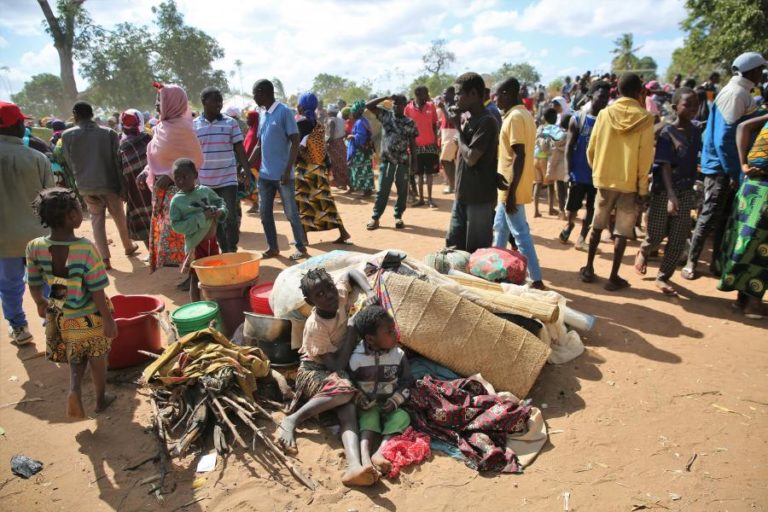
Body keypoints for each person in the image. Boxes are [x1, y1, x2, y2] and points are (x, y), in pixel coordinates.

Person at [279, 268, 379, 487]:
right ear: (310, 301)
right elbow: (336, 366)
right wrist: (352, 330)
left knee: (348, 409)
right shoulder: (315, 326)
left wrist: (370, 291)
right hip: (314, 370)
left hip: (338, 372)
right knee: (345, 391)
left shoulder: (339, 294)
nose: (329, 296)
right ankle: (292, 419)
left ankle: (354, 466)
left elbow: (352, 273)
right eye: (320, 295)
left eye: (329, 288)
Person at [26, 188, 117, 418]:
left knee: (75, 355)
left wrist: (39, 302)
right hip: (89, 314)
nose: (81, 210)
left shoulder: (35, 246)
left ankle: (74, 390)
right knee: (97, 357)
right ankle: (100, 400)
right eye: (78, 208)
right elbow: (97, 288)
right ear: (70, 217)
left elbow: (34, 282)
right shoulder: (85, 248)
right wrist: (107, 318)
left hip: (60, 312)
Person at [682, 52, 766, 280]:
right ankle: (691, 262)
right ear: (752, 71)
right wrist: (735, 170)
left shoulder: (740, 91)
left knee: (724, 218)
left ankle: (715, 263)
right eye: (760, 70)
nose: (761, 74)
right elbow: (724, 138)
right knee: (709, 215)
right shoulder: (735, 93)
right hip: (721, 167)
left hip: (727, 166)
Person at [580, 72, 654, 291]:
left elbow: (591, 148)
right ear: (638, 91)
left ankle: (589, 268)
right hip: (629, 184)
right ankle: (613, 277)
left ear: (618, 90)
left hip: (604, 179)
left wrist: (599, 171)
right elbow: (644, 157)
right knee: (622, 231)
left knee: (597, 225)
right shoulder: (645, 118)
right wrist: (642, 188)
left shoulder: (604, 114)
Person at [634, 88, 701, 295]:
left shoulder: (697, 131)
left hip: (686, 189)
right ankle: (645, 250)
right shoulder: (666, 133)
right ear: (674, 107)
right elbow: (663, 166)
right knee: (656, 233)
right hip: (665, 190)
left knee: (679, 237)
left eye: (695, 105)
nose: (692, 109)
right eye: (686, 105)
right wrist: (671, 195)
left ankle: (663, 277)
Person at [0, 102, 55, 345]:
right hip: (39, 234)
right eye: (21, 121)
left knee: (9, 284)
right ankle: (53, 322)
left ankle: (19, 327)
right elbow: (52, 197)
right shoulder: (36, 158)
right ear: (15, 125)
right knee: (49, 280)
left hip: (4, 239)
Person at [62, 101, 138, 270]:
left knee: (97, 220)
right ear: (92, 114)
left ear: (76, 115)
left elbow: (68, 161)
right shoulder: (109, 133)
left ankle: (104, 258)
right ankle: (128, 246)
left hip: (85, 185)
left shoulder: (67, 135)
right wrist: (122, 186)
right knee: (119, 216)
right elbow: (118, 162)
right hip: (109, 183)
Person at [140, 83, 204, 274]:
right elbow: (158, 156)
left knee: (186, 233)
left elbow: (197, 160)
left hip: (182, 192)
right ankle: (185, 272)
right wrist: (145, 171)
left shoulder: (183, 129)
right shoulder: (161, 127)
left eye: (161, 101)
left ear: (173, 103)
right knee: (173, 235)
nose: (157, 105)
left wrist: (170, 176)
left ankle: (192, 275)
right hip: (163, 194)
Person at [492, 77, 546, 290]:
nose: (496, 100)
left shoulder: (514, 117)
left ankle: (537, 279)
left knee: (520, 233)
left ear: (507, 94)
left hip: (511, 186)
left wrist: (511, 193)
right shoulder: (524, 114)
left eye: (498, 95)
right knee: (500, 228)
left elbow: (520, 155)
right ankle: (493, 268)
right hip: (510, 185)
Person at [349, 305, 413, 476]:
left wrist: (395, 401)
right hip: (369, 405)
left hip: (390, 404)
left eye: (394, 330)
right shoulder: (356, 358)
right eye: (389, 332)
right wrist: (358, 395)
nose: (395, 335)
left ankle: (380, 452)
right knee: (368, 419)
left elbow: (407, 382)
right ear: (370, 339)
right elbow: (349, 381)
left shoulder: (398, 355)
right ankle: (364, 456)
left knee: (402, 417)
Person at [249, 79, 309, 260]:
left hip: (283, 176)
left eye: (255, 94)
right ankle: (272, 247)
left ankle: (301, 247)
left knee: (291, 213)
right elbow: (259, 144)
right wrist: (247, 165)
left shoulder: (284, 112)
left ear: (262, 92)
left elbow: (295, 140)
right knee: (264, 213)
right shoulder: (263, 114)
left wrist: (287, 169)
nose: (254, 98)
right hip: (265, 175)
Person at [717, 113, 768, 318]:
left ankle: (742, 300)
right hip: (764, 191)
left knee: (744, 242)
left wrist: (744, 165)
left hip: (751, 189)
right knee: (761, 249)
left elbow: (742, 128)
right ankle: (753, 304)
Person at [445, 72, 499, 253]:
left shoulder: (486, 122)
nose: (456, 98)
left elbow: (471, 158)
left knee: (476, 254)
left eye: (460, 93)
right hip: (462, 195)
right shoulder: (468, 119)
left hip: (479, 198)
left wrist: (457, 129)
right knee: (453, 249)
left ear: (474, 94)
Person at [194, 87, 251, 253]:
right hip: (206, 181)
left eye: (220, 100)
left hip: (228, 179)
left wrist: (247, 171)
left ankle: (232, 247)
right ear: (204, 102)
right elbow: (192, 152)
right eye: (215, 100)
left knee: (230, 215)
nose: (219, 104)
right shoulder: (194, 125)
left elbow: (240, 149)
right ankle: (224, 248)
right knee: (214, 216)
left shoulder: (230, 123)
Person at [559, 81, 611, 250]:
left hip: (596, 175)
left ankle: (582, 239)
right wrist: (567, 172)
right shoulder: (578, 118)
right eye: (601, 96)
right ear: (590, 97)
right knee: (572, 207)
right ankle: (569, 224)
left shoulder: (607, 121)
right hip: (578, 173)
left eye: (607, 97)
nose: (604, 100)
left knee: (591, 208)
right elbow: (569, 147)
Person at [294, 92, 352, 244]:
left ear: (303, 106)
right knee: (326, 201)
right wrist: (327, 164)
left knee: (303, 202)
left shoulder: (300, 124)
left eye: (299, 104)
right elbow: (322, 148)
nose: (297, 106)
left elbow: (296, 148)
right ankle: (343, 232)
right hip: (319, 167)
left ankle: (304, 238)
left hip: (304, 168)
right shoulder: (318, 124)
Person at [169, 158, 226, 302]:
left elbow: (219, 201)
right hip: (196, 245)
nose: (181, 181)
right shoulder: (176, 201)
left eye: (185, 176)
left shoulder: (205, 191)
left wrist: (221, 211)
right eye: (177, 178)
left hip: (212, 242)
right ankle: (196, 305)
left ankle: (214, 303)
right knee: (195, 277)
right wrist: (202, 217)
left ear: (195, 175)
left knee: (213, 274)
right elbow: (177, 225)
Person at [366, 95, 418, 230]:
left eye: (399, 104)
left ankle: (398, 216)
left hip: (402, 161)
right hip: (387, 160)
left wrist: (415, 162)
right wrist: (386, 97)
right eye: (394, 103)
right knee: (383, 190)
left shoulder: (409, 122)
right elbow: (368, 106)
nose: (395, 106)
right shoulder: (386, 115)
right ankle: (375, 218)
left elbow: (413, 144)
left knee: (402, 191)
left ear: (405, 105)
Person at [118, 109, 153, 249]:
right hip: (152, 186)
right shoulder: (148, 138)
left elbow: (120, 170)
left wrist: (124, 191)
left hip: (135, 190)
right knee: (156, 216)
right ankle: (159, 252)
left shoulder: (121, 145)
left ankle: (152, 252)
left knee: (143, 219)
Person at [405, 85, 440, 207]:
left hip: (430, 145)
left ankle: (430, 199)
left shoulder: (431, 106)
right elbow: (406, 128)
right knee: (419, 174)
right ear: (418, 94)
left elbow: (434, 125)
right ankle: (421, 199)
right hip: (416, 147)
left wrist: (436, 141)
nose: (428, 96)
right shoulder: (408, 108)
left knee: (429, 173)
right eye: (426, 94)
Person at [532, 108, 566, 218]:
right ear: (555, 118)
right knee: (551, 185)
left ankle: (536, 210)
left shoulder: (540, 128)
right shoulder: (555, 129)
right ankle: (551, 209)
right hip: (545, 159)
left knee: (538, 183)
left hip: (536, 157)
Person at [346, 101, 374, 195]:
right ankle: (367, 189)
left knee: (362, 170)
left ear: (357, 112)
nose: (352, 114)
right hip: (365, 149)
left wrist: (352, 136)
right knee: (366, 169)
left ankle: (366, 190)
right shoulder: (363, 120)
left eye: (353, 112)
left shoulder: (360, 122)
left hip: (360, 149)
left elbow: (361, 136)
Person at [436, 86, 458, 194]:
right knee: (449, 161)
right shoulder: (448, 105)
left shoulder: (455, 106)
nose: (443, 96)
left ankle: (452, 186)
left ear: (453, 94)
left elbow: (451, 119)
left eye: (446, 93)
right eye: (443, 93)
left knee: (445, 160)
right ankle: (452, 185)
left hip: (452, 133)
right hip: (446, 134)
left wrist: (443, 108)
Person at [325, 104, 350, 189]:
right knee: (342, 164)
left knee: (335, 164)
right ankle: (344, 184)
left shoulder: (331, 121)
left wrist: (325, 142)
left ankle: (341, 183)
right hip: (341, 143)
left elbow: (331, 136)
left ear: (329, 112)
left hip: (334, 144)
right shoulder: (341, 120)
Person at [243, 109, 261, 214]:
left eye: (248, 118)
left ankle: (256, 205)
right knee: (252, 186)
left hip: (255, 164)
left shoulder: (256, 132)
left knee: (255, 186)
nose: (246, 120)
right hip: (250, 164)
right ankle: (255, 205)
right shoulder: (251, 130)